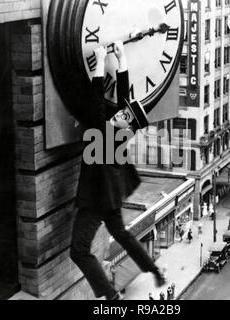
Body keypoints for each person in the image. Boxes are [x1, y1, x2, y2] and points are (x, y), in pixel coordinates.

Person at [71, 42, 166, 301]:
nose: (118, 115)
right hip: (111, 194)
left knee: (79, 251)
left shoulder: (104, 131)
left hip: (96, 197)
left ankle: (109, 296)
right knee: (121, 234)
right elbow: (124, 101)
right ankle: (153, 269)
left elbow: (96, 104)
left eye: (122, 117)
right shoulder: (121, 130)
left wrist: (101, 61)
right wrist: (122, 60)